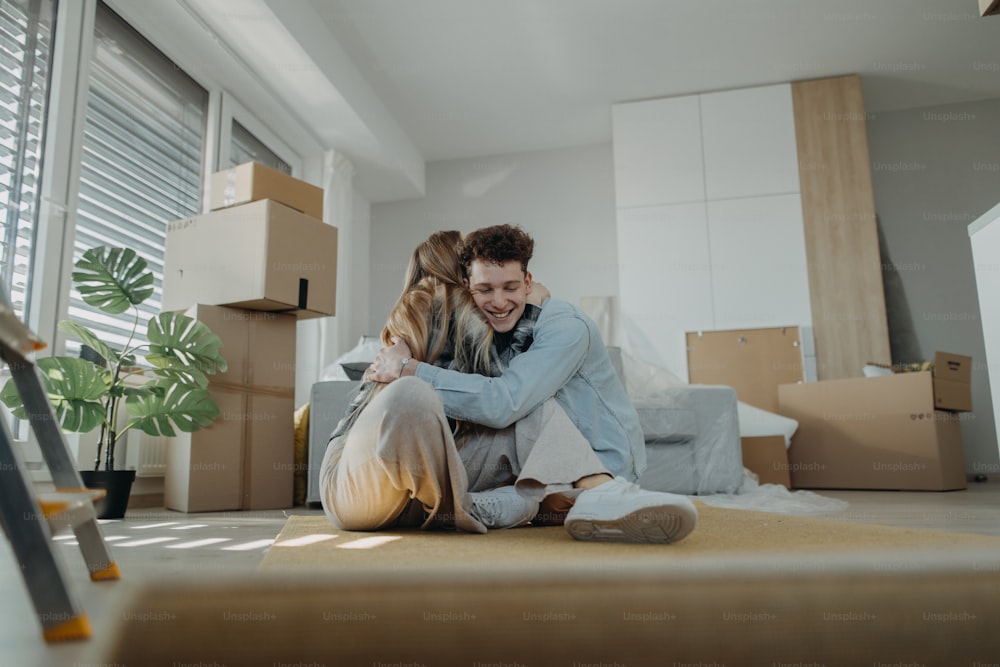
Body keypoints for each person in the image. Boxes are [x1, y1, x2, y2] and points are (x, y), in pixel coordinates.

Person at [369, 224, 698, 544]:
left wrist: (408, 369)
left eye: (510, 288)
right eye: (485, 290)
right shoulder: (492, 330)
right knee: (519, 491)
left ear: (528, 282)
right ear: (469, 287)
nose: (498, 302)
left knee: (525, 401)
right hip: (537, 466)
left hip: (597, 463)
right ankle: (510, 506)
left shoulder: (566, 327)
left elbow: (504, 403)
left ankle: (600, 496)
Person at [320, 230, 546, 535]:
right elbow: (502, 371)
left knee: (532, 412)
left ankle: (465, 505)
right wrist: (535, 300)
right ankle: (464, 509)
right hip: (357, 486)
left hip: (415, 494)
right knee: (411, 394)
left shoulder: (474, 316)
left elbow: (508, 394)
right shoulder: (426, 305)